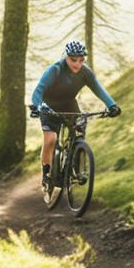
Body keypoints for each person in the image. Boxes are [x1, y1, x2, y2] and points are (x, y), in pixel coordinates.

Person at [30, 40, 120, 188]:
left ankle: (74, 168)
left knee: (79, 131)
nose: (77, 64)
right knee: (51, 139)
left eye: (81, 60)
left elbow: (98, 89)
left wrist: (112, 105)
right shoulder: (55, 69)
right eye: (73, 60)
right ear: (66, 57)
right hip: (48, 106)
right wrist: (36, 106)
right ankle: (46, 174)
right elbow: (38, 90)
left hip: (69, 103)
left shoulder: (85, 72)